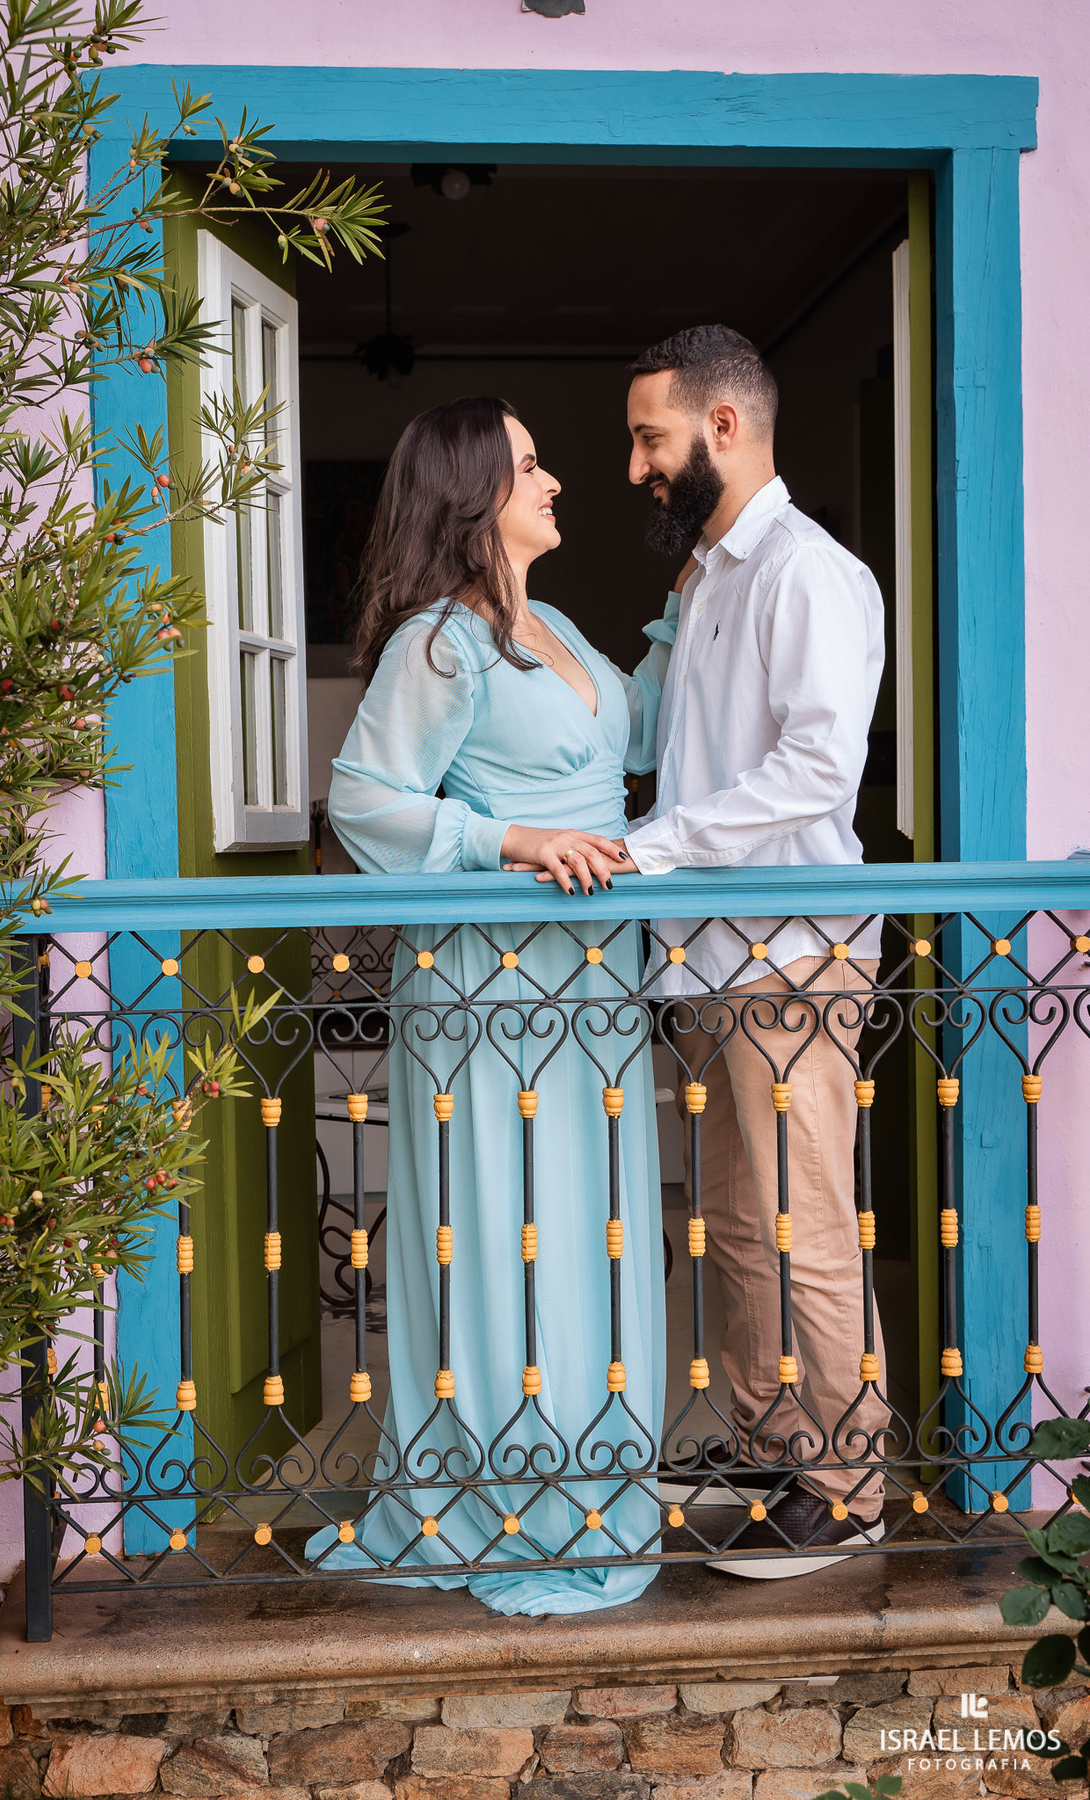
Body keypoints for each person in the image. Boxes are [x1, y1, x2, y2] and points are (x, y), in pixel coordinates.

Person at [307, 396, 665, 1616]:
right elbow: (363, 804)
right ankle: (498, 1491)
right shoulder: (442, 643)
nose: (554, 478)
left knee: (593, 1225)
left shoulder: (553, 622)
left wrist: (702, 609)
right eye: (526, 464)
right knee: (503, 1220)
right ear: (473, 498)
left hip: (595, 979)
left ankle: (593, 1479)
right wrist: (511, 840)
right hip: (488, 984)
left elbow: (643, 729)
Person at [619, 325, 890, 1577]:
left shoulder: (807, 572)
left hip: (790, 955)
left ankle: (848, 1485)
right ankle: (775, 1448)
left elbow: (819, 766)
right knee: (734, 1220)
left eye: (650, 439)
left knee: (808, 1221)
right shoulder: (709, 581)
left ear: (724, 428)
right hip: (712, 961)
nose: (636, 467)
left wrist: (659, 846)